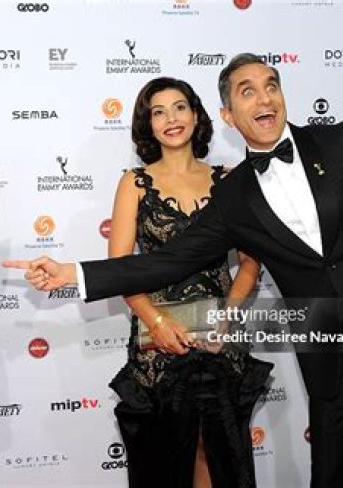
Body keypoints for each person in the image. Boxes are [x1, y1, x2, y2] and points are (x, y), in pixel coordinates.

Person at [5, 54, 343, 488]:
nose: (264, 97)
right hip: (332, 349)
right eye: (247, 91)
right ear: (229, 116)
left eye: (271, 85)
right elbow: (169, 259)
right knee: (333, 478)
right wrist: (74, 273)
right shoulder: (234, 197)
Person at [105, 77, 272, 488]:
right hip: (160, 343)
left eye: (179, 107)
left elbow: (250, 263)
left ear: (196, 115)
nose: (171, 119)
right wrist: (158, 323)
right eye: (158, 112)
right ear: (148, 125)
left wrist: (228, 315)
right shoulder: (134, 183)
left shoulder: (229, 181)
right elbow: (120, 270)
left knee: (219, 456)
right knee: (163, 461)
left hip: (220, 339)